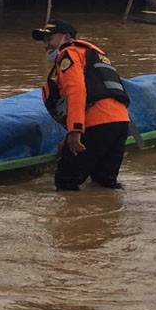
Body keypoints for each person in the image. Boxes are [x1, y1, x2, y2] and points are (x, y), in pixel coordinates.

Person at [32, 19, 130, 191]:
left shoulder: (68, 54)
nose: (46, 45)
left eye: (50, 39)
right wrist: (68, 137)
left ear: (66, 37)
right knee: (105, 183)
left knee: (66, 182)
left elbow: (76, 90)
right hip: (120, 123)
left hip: (97, 123)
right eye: (44, 41)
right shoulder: (95, 54)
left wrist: (75, 131)